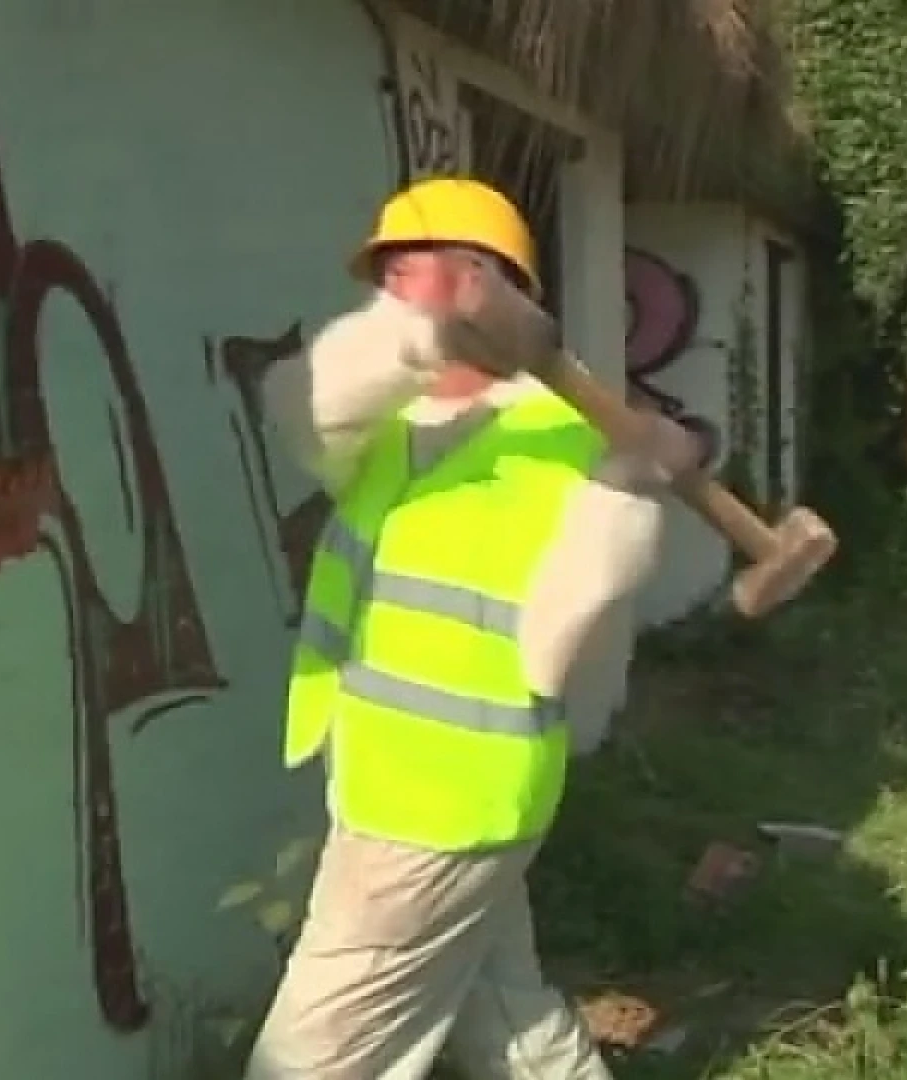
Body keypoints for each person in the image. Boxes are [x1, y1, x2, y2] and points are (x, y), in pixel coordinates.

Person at [246, 177, 704, 1079]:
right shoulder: (396, 426)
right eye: (386, 277)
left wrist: (628, 488)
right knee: (507, 1014)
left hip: (441, 804)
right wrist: (430, 334)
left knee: (314, 1060)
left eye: (411, 273)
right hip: (396, 783)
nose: (386, 298)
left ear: (489, 279)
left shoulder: (560, 442)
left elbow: (563, 628)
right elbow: (297, 405)